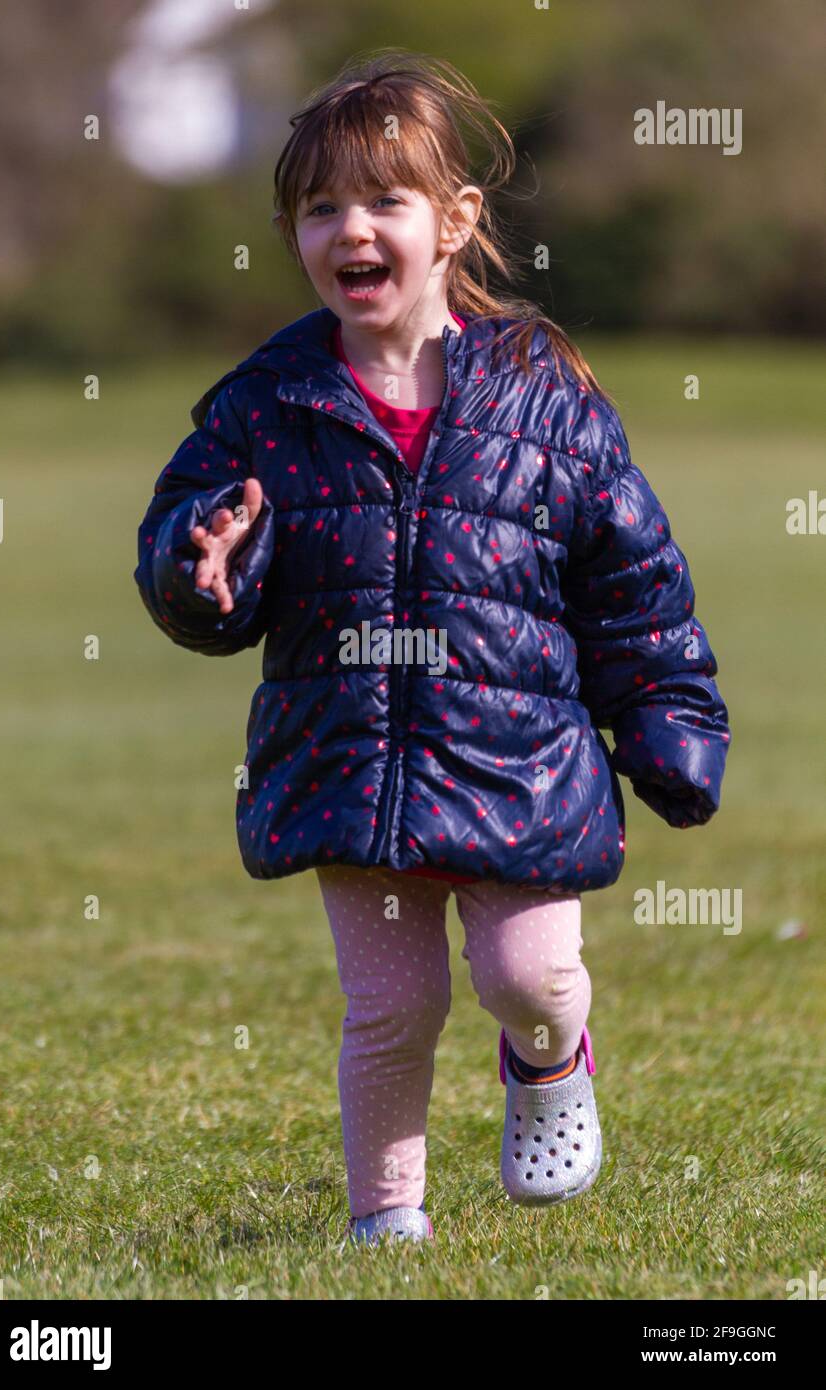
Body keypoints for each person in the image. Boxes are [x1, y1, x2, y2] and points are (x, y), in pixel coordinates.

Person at [133, 51, 731, 1249]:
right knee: (388, 1007)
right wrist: (203, 566)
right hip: (349, 760)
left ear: (453, 223)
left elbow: (633, 579)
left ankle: (549, 1056)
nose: (348, 229)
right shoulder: (267, 402)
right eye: (318, 209)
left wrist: (667, 718)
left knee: (527, 976)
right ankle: (383, 1222)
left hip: (516, 754)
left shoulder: (541, 397)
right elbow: (188, 549)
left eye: (381, 201)